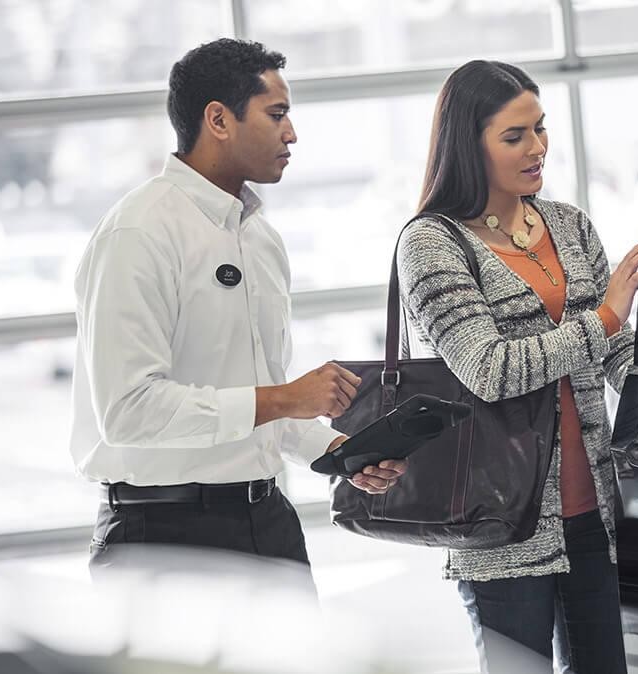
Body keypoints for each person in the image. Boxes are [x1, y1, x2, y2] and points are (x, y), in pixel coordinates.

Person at [70, 38, 406, 577]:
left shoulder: (261, 240)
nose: (291, 133)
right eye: (277, 115)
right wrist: (284, 397)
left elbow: (261, 407)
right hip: (159, 539)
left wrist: (342, 450)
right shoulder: (139, 232)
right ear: (218, 120)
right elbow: (127, 411)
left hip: (266, 522)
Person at [396, 60, 638, 673]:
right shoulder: (431, 243)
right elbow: (487, 369)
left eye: (540, 129)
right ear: (468, 144)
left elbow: (613, 353)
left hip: (594, 508)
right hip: (499, 525)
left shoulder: (566, 224)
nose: (537, 148)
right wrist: (604, 321)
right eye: (515, 136)